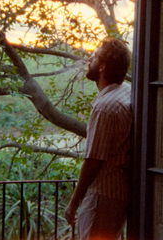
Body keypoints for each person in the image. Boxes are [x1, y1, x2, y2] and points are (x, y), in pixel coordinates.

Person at [64, 37, 132, 240]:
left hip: (102, 197)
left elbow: (93, 160)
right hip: (119, 194)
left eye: (93, 57)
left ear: (102, 66)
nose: (89, 60)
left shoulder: (104, 107)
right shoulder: (126, 92)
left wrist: (73, 202)